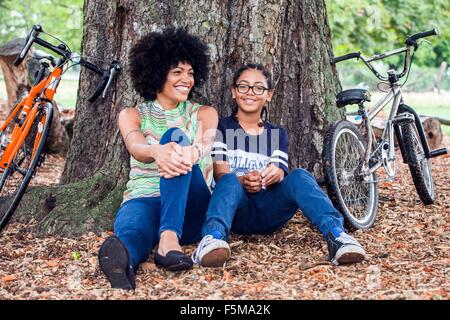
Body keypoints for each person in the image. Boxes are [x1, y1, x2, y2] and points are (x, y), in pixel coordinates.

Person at [191, 63, 366, 268]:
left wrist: (275, 174)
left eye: (258, 88)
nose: (250, 93)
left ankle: (337, 236)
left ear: (269, 95)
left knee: (299, 175)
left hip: (270, 211)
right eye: (243, 86)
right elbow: (221, 174)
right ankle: (213, 238)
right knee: (230, 180)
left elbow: (280, 172)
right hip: (236, 211)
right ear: (233, 92)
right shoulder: (222, 127)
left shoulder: (277, 133)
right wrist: (243, 180)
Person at [98, 28, 219, 290]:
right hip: (145, 197)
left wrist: (187, 151)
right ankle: (123, 262)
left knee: (175, 136)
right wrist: (156, 151)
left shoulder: (204, 113)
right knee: (132, 232)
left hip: (191, 205)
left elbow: (205, 142)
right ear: (156, 73)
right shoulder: (133, 114)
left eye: (190, 73)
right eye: (177, 72)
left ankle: (169, 239)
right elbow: (136, 145)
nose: (186, 79)